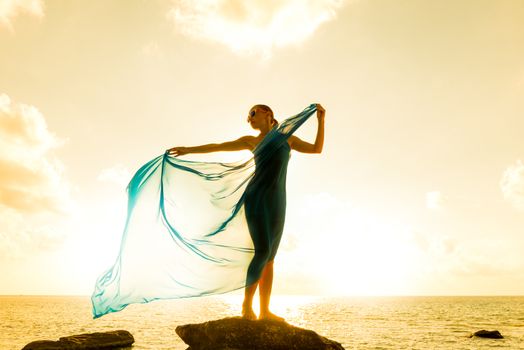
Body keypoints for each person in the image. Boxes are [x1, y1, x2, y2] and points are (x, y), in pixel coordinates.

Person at [167, 103, 325, 321]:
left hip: (278, 200)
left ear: (268, 114)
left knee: (270, 258)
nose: (249, 118)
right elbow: (217, 146)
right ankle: (246, 306)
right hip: (256, 198)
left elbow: (317, 149)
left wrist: (321, 119)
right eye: (247, 116)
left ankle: (265, 311)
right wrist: (188, 150)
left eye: (252, 113)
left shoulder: (288, 138)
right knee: (262, 251)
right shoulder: (251, 141)